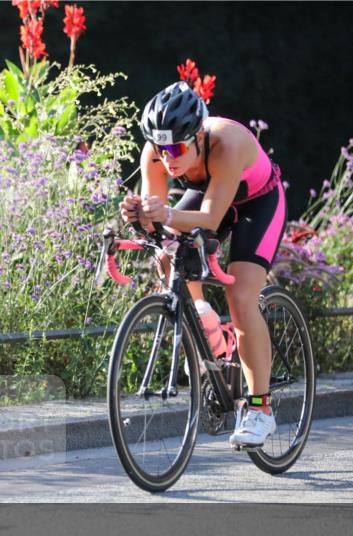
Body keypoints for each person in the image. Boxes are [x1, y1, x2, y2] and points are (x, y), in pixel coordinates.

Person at [119, 81, 287, 448]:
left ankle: (260, 409)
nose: (169, 157)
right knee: (166, 253)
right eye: (161, 149)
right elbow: (158, 220)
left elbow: (210, 218)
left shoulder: (226, 143)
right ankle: (205, 322)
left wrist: (163, 214)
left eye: (178, 148)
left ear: (197, 136)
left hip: (256, 203)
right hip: (213, 196)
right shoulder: (156, 151)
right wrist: (139, 216)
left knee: (240, 296)